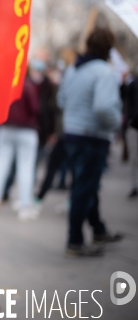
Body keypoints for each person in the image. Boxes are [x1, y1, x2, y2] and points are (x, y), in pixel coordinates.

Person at [58, 28, 123, 257]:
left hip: (72, 134)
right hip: (92, 137)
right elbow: (104, 107)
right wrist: (117, 122)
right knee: (83, 189)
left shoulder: (74, 68)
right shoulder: (104, 72)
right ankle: (74, 241)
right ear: (109, 48)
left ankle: (98, 230)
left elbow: (61, 99)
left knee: (86, 186)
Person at [0, 75, 40, 220]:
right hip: (25, 130)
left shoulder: (6, 84)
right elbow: (34, 108)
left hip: (6, 128)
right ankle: (24, 206)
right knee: (25, 168)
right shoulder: (28, 85)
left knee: (0, 166)